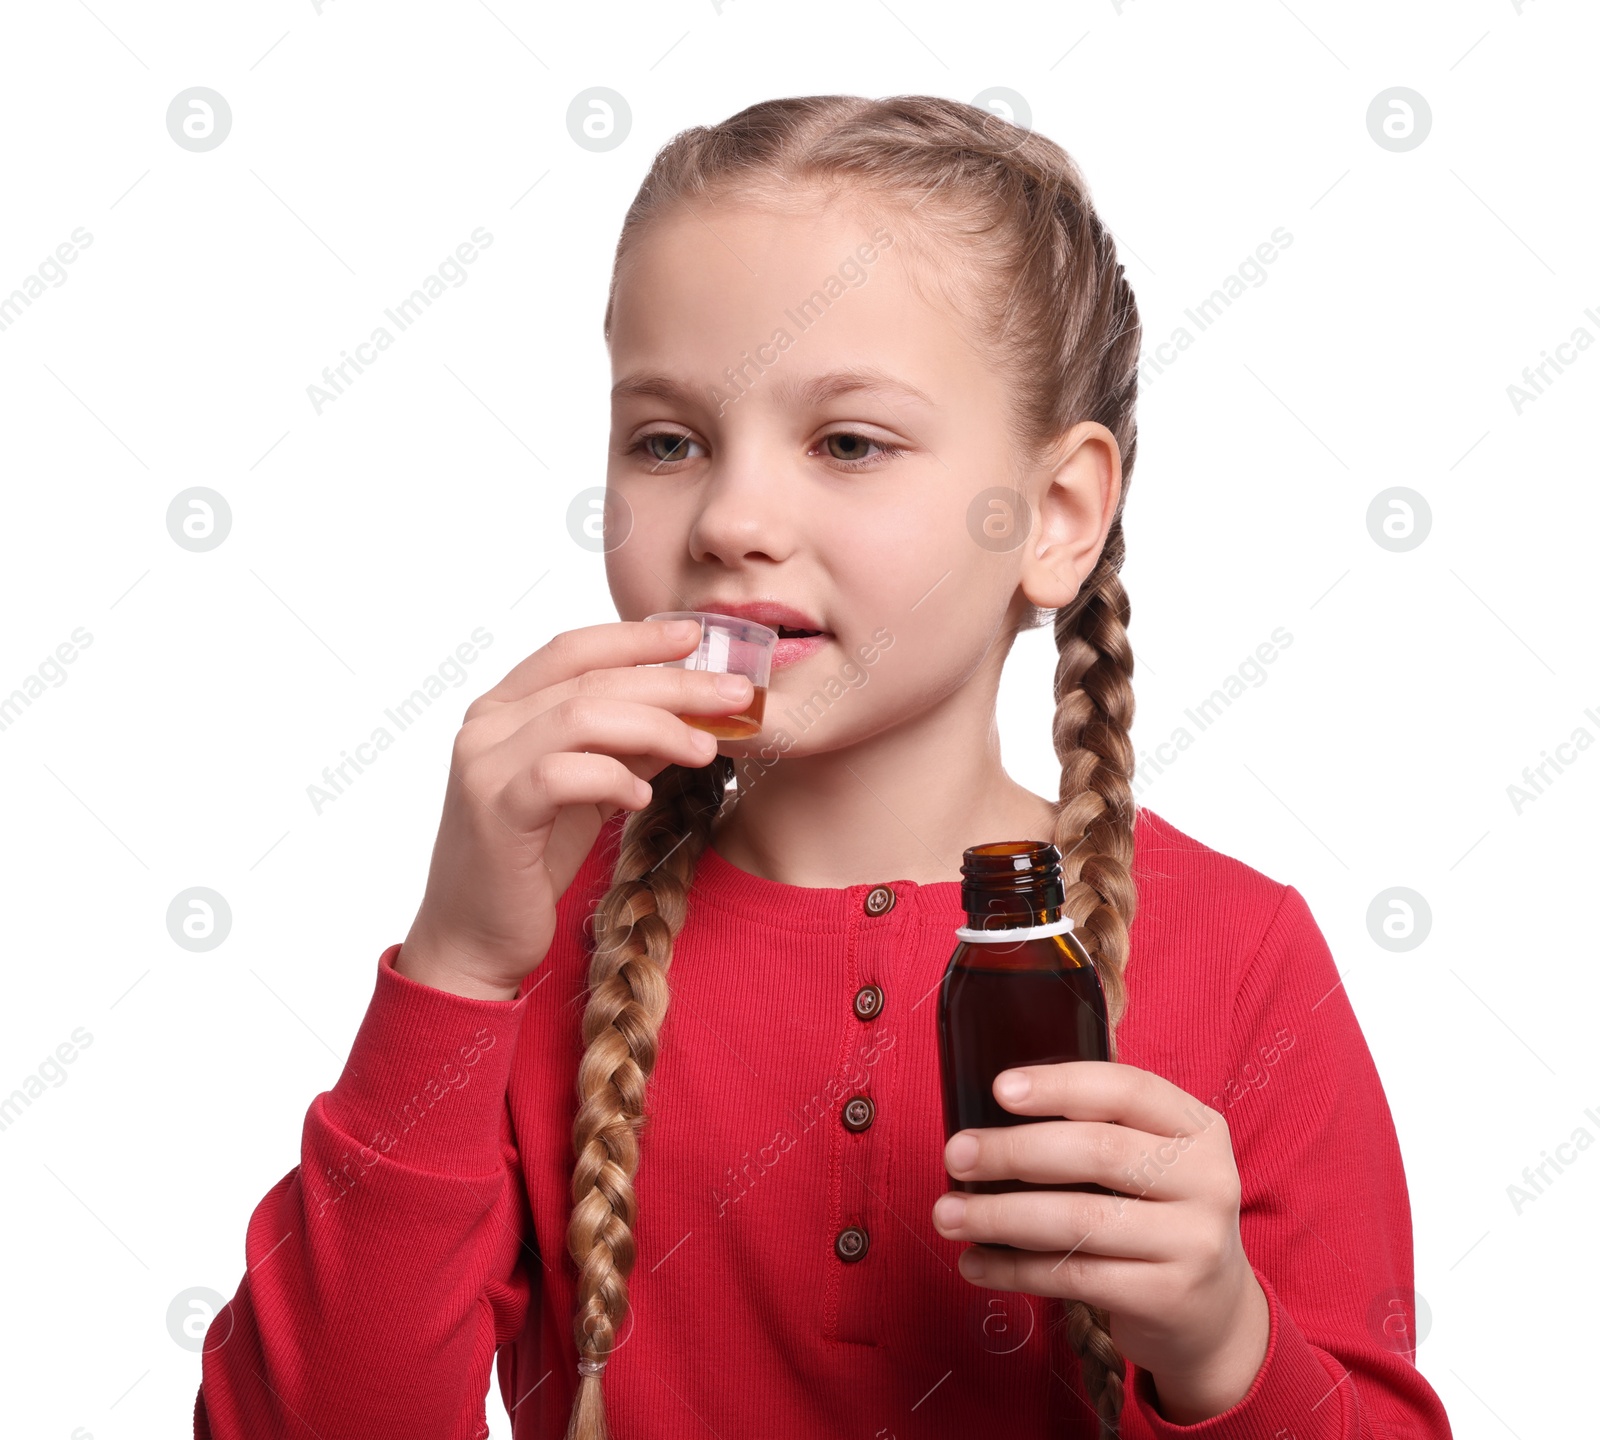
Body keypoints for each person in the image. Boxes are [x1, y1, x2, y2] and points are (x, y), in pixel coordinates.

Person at [195, 95, 1453, 1439]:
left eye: (848, 442)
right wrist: (452, 969)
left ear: (1058, 515)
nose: (732, 519)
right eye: (667, 441)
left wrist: (1221, 1342)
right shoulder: (539, 948)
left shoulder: (1245, 953)